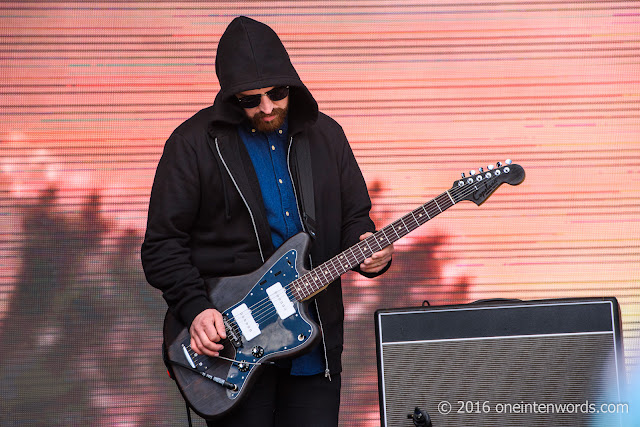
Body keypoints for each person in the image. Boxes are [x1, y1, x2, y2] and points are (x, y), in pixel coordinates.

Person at [141, 16, 393, 427]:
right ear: (230, 98)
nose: (267, 107)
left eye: (277, 93)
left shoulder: (326, 136)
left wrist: (372, 248)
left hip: (313, 343)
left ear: (292, 84)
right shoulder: (191, 145)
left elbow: (355, 219)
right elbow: (162, 245)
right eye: (250, 99)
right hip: (232, 346)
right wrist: (196, 308)